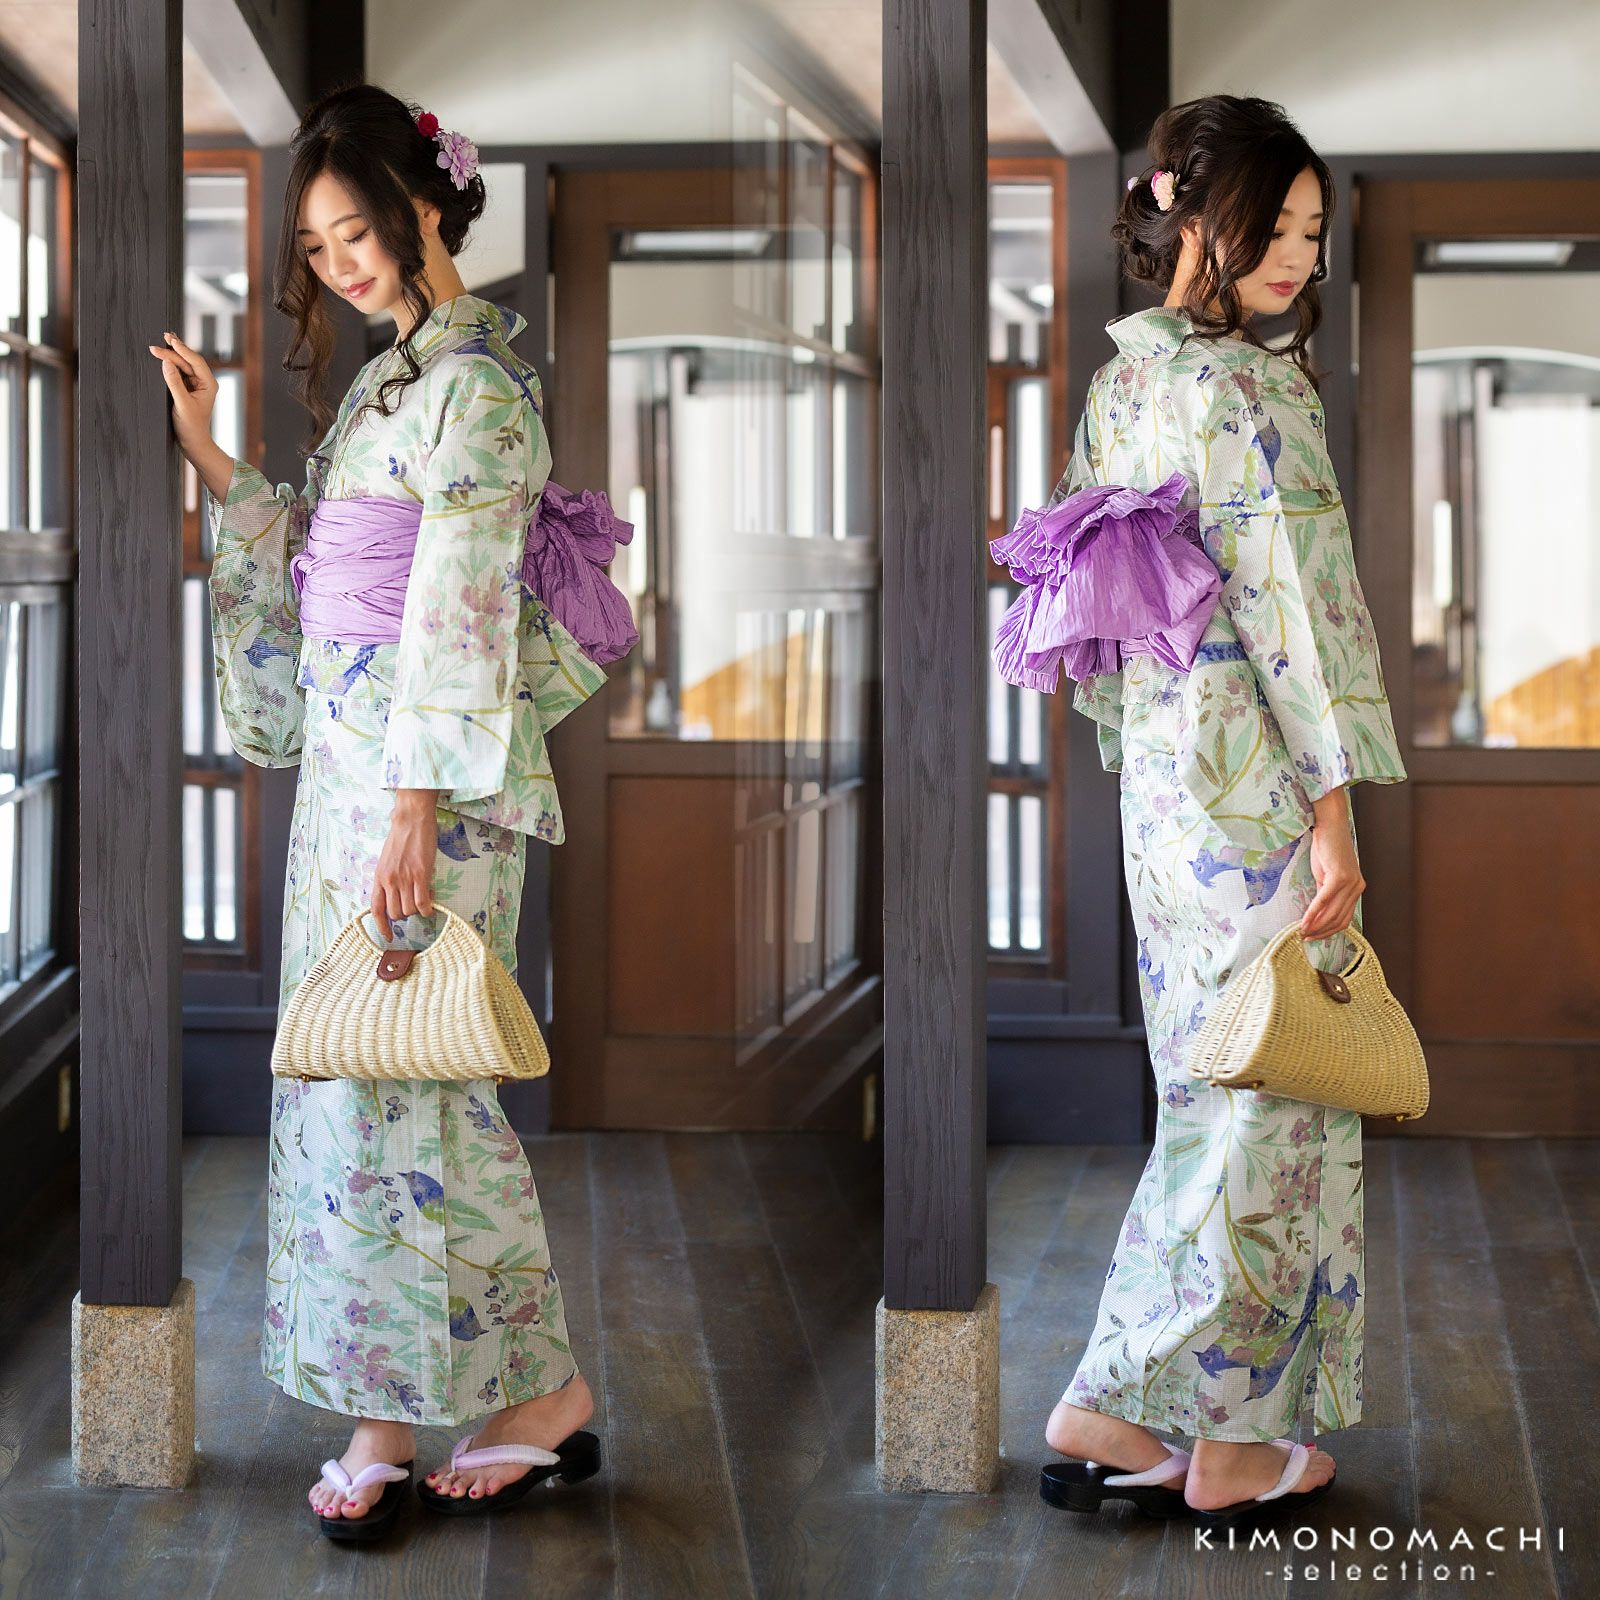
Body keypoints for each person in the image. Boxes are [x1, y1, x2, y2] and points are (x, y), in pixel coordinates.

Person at [149, 84, 608, 1538]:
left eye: (357, 230)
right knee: (360, 1080)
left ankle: (488, 1400)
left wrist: (414, 807)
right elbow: (320, 563)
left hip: (425, 790)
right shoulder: (393, 379)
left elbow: (460, 610)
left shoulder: (478, 388)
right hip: (357, 782)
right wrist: (214, 458)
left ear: (422, 210)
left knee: (414, 1083)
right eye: (317, 244)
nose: (341, 263)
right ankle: (418, 1406)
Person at [1035, 96, 1406, 1523]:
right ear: (1197, 217)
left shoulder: (1123, 385)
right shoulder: (1253, 392)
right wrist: (1333, 810)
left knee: (1213, 1092)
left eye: (1314, 233)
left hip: (1166, 785)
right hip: (1258, 786)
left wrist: (1163, 744)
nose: (1301, 256)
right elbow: (1302, 614)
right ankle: (1238, 1447)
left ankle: (1117, 1402)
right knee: (1282, 1098)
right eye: (1279, 226)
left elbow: (1086, 610)